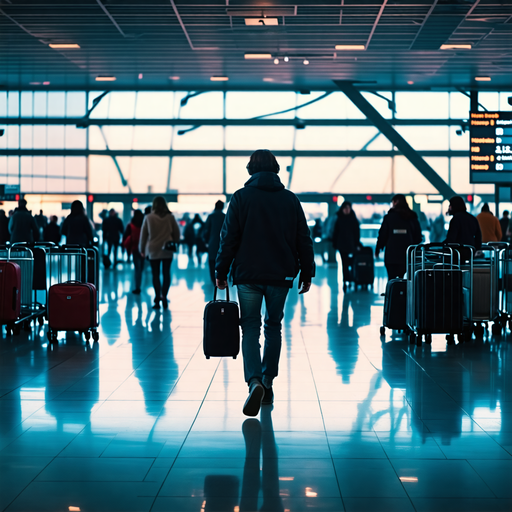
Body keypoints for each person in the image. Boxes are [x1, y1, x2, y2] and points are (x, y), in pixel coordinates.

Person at [216, 149, 315, 417]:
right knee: (274, 326)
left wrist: (220, 269)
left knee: (249, 327)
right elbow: (303, 238)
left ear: (250, 169)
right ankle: (268, 382)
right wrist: (307, 272)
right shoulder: (290, 200)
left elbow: (229, 239)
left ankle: (254, 381)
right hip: (280, 275)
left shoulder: (240, 198)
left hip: (248, 274)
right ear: (276, 169)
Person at [139, 196, 180, 309]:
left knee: (155, 274)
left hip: (153, 250)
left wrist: (142, 250)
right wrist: (173, 240)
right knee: (166, 273)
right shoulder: (170, 217)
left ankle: (157, 298)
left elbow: (143, 236)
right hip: (167, 249)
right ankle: (164, 296)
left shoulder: (148, 217)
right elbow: (177, 234)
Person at [375, 194, 422, 280]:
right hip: (407, 255)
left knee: (391, 279)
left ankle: (392, 292)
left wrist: (378, 248)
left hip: (391, 255)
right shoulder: (412, 217)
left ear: (395, 202)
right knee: (406, 279)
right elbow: (418, 236)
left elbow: (382, 235)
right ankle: (404, 293)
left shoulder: (389, 217)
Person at [332, 201, 361, 289]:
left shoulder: (353, 219)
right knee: (345, 264)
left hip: (351, 245)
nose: (347, 210)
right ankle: (346, 280)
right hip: (342, 245)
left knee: (352, 263)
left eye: (348, 208)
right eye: (345, 208)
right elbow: (335, 232)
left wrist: (357, 243)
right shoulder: (339, 219)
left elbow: (356, 233)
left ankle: (351, 278)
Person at [444, 196, 482, 261]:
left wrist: (443, 245)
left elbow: (451, 239)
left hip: (457, 254)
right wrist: (475, 249)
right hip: (470, 252)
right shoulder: (472, 218)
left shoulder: (455, 219)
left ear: (454, 206)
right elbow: (478, 237)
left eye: (450, 205)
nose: (449, 207)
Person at [202, 200, 226, 285]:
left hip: (212, 243)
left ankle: (214, 280)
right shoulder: (225, 216)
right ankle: (223, 278)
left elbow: (206, 230)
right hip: (223, 243)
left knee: (212, 262)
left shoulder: (211, 216)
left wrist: (205, 241)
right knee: (223, 260)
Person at [123, 210, 144, 294]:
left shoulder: (131, 225)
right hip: (143, 248)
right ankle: (140, 283)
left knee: (137, 268)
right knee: (141, 268)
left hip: (135, 248)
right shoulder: (144, 224)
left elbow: (125, 236)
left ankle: (137, 287)